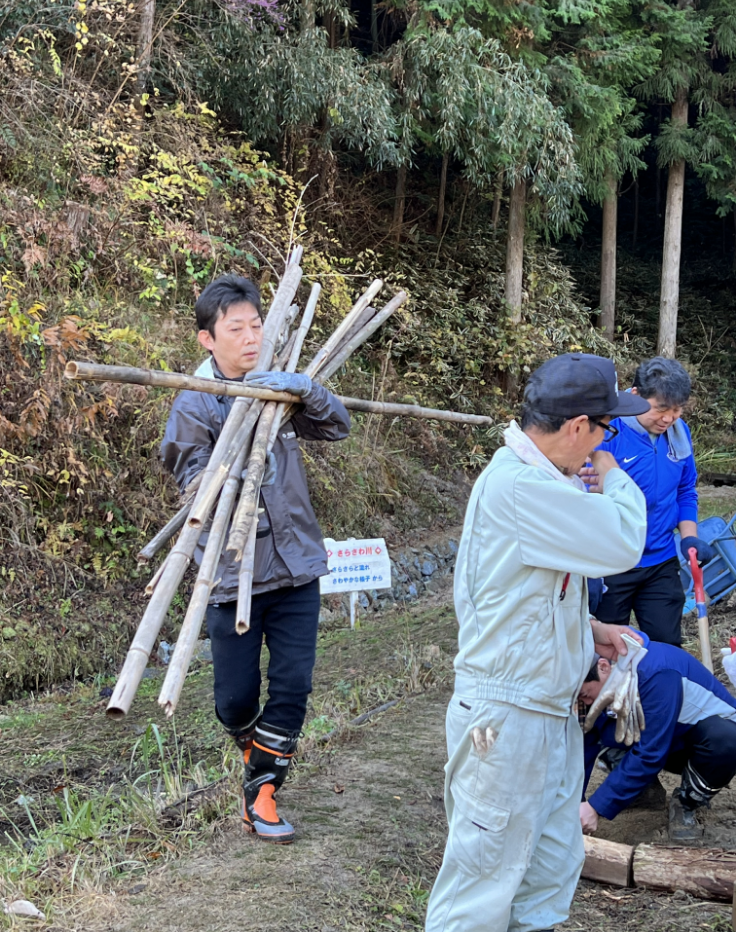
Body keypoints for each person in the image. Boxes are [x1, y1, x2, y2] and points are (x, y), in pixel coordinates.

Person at [424, 353, 649, 932]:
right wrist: (612, 470)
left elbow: (538, 591)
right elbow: (623, 540)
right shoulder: (523, 485)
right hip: (505, 716)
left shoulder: (544, 482)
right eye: (606, 430)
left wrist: (590, 629)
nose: (606, 442)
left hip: (545, 713)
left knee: (548, 871)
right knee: (481, 882)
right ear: (579, 427)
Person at [161, 274, 350, 844]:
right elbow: (187, 477)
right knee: (235, 701)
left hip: (295, 565)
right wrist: (232, 465)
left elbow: (338, 426)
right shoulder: (194, 401)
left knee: (292, 686)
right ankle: (258, 752)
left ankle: (262, 795)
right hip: (229, 570)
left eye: (256, 326)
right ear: (207, 340)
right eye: (235, 329)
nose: (250, 338)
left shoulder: (280, 388)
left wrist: (303, 388)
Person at [588, 357, 715, 646]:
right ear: (635, 397)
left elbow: (685, 490)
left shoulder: (680, 436)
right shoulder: (608, 434)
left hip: (660, 561)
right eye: (660, 409)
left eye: (676, 410)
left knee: (665, 644)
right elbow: (586, 497)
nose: (669, 419)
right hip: (612, 563)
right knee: (608, 649)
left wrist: (690, 539)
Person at [580, 636, 736, 843]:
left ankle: (686, 802)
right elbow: (585, 744)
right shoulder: (605, 680)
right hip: (663, 738)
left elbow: (650, 753)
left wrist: (595, 807)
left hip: (698, 744)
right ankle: (646, 793)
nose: (585, 701)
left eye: (584, 694)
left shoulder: (656, 673)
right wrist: (573, 804)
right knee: (598, 727)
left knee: (727, 741)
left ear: (603, 667)